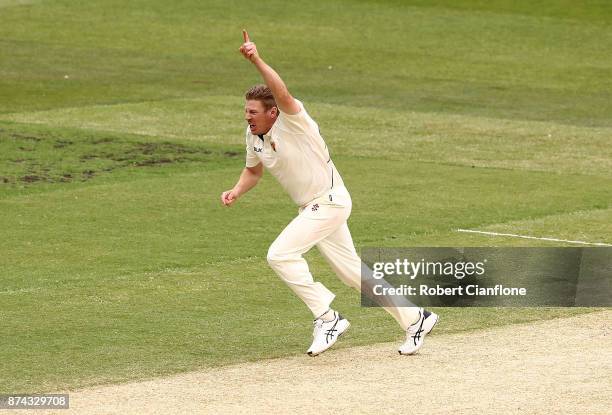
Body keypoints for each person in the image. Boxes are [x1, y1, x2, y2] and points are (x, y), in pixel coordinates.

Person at [220, 30, 438, 356]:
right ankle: (415, 317)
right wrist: (237, 190)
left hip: (329, 201)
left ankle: (327, 316)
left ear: (273, 112)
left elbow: (283, 92)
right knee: (353, 273)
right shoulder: (252, 136)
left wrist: (256, 59)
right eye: (246, 111)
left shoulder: (295, 121)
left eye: (253, 111)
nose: (247, 116)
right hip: (312, 208)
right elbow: (253, 171)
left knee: (279, 255)